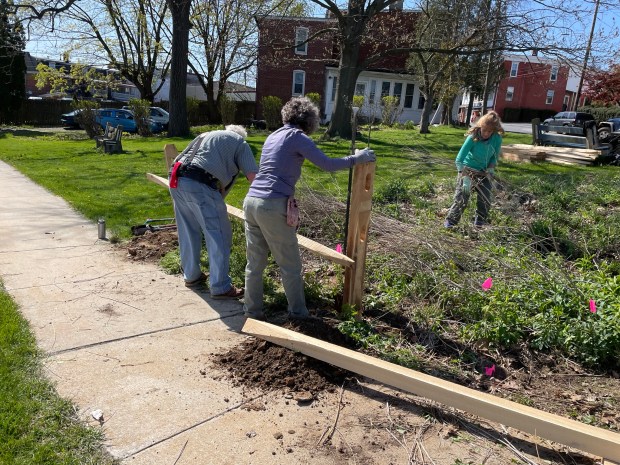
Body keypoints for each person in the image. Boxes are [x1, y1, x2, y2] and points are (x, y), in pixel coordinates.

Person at [243, 97, 375, 320]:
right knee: (290, 266)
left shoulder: (273, 135)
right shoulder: (297, 137)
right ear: (309, 119)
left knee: (254, 264)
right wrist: (357, 158)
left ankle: (252, 313)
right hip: (272, 205)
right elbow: (327, 164)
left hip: (251, 201)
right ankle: (299, 315)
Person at [169, 125, 258, 299]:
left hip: (176, 179)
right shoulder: (240, 143)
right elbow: (253, 177)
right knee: (219, 234)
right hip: (200, 182)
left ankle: (192, 276)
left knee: (188, 230)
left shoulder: (205, 135)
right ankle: (220, 286)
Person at [445, 110, 504, 228]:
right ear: (480, 126)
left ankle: (480, 221)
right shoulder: (473, 137)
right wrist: (465, 177)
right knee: (462, 197)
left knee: (485, 197)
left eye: (490, 131)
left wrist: (491, 168)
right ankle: (451, 221)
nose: (486, 133)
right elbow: (459, 159)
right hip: (467, 170)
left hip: (484, 172)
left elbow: (494, 157)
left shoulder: (497, 139)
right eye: (484, 130)